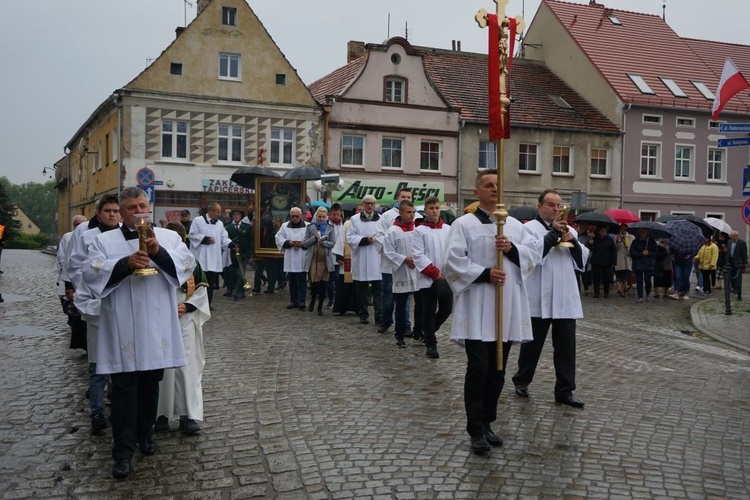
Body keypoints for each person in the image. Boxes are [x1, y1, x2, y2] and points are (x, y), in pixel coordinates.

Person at [82, 187, 195, 479]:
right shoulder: (103, 241)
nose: (137, 211)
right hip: (123, 329)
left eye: (142, 205)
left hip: (156, 326)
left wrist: (157, 253)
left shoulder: (168, 237)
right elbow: (91, 271)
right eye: (131, 207)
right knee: (123, 391)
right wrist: (124, 264)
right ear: (121, 211)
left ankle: (146, 435)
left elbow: (186, 265)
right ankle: (122, 453)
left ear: (150, 206)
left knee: (150, 384)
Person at [443, 169, 538, 455]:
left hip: (505, 307)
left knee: (498, 370)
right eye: (488, 185)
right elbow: (451, 262)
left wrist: (510, 249)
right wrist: (485, 274)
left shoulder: (515, 227)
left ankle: (487, 422)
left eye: (498, 184)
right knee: (479, 368)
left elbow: (531, 258)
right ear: (477, 191)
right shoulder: (463, 224)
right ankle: (475, 429)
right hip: (478, 305)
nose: (494, 189)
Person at [512, 189, 589, 408]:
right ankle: (522, 380)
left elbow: (583, 259)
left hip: (565, 297)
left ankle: (565, 390)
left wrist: (571, 241)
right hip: (538, 295)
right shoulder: (528, 229)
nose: (556, 209)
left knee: (566, 347)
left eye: (559, 205)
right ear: (540, 206)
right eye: (551, 205)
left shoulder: (570, 229)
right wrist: (551, 235)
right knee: (532, 344)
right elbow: (529, 256)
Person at [68, 196, 121, 436]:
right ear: (99, 213)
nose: (112, 215)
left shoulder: (124, 236)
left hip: (120, 305)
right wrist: (90, 288)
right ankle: (97, 410)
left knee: (121, 362)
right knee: (98, 364)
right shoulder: (86, 235)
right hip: (96, 301)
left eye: (116, 211)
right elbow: (76, 265)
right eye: (108, 211)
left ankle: (118, 402)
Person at [155, 221, 210, 436]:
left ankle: (189, 415)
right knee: (162, 368)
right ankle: (160, 414)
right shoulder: (153, 262)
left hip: (185, 318)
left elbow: (201, 291)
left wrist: (187, 306)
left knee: (187, 368)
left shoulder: (191, 263)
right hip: (160, 320)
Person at [413, 196, 452, 359]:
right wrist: (434, 272)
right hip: (427, 278)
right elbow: (418, 255)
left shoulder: (448, 229)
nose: (434, 211)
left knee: (446, 309)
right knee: (428, 311)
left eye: (437, 208)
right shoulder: (419, 230)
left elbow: (453, 251)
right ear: (426, 211)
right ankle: (431, 343)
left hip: (446, 277)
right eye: (431, 208)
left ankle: (428, 331)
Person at [375, 188, 414, 333]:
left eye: (408, 197)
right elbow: (379, 236)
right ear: (397, 197)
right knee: (389, 295)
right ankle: (386, 320)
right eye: (403, 196)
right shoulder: (386, 216)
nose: (405, 198)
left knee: (405, 295)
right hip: (390, 263)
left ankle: (406, 324)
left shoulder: (415, 217)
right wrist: (393, 251)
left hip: (408, 264)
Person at [382, 200, 419, 348]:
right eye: (408, 212)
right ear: (401, 213)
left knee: (420, 304)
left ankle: (418, 331)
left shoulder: (417, 228)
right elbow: (389, 252)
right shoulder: (392, 231)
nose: (412, 215)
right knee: (401, 305)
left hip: (417, 270)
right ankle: (400, 334)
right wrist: (404, 259)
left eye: (413, 212)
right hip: (402, 271)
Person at [347, 195, 382, 324]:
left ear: (375, 205)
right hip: (361, 257)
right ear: (363, 204)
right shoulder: (355, 219)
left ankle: (379, 315)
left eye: (372, 203)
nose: (370, 206)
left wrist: (376, 240)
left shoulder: (381, 219)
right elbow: (350, 237)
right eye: (367, 203)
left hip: (375, 258)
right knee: (361, 290)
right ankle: (363, 314)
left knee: (378, 290)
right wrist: (365, 240)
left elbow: (385, 235)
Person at [188, 202, 232, 304]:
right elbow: (192, 235)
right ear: (211, 211)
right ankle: (196, 303)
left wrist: (231, 244)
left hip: (213, 258)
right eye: (218, 212)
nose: (219, 214)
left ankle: (208, 303)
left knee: (210, 283)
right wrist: (204, 239)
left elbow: (223, 238)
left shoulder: (220, 224)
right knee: (199, 282)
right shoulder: (198, 221)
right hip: (201, 258)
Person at [302, 207, 336, 315]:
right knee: (315, 282)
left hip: (325, 259)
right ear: (316, 217)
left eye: (323, 217)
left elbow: (333, 243)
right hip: (313, 258)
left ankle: (320, 306)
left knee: (323, 283)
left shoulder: (330, 228)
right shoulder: (310, 227)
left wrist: (324, 243)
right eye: (319, 217)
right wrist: (314, 238)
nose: (321, 219)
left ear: (326, 217)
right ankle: (313, 300)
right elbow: (305, 243)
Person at [275, 207, 309, 310]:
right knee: (292, 280)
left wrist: (303, 243)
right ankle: (294, 300)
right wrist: (288, 242)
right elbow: (278, 238)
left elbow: (312, 239)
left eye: (296, 216)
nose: (295, 218)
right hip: (291, 257)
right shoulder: (285, 226)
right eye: (292, 216)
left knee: (302, 280)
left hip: (302, 256)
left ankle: (302, 301)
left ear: (301, 216)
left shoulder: (307, 226)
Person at [332, 204, 361, 315]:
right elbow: (341, 239)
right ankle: (342, 307)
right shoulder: (348, 224)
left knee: (358, 284)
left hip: (360, 258)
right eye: (358, 210)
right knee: (345, 282)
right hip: (348, 259)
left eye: (361, 210)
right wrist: (339, 256)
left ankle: (358, 307)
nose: (360, 212)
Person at [588, 225, 616, 298]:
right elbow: (589, 248)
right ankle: (596, 292)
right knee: (596, 278)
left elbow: (613, 250)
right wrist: (591, 241)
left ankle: (606, 292)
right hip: (596, 261)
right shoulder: (595, 239)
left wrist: (614, 261)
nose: (603, 232)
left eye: (605, 231)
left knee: (606, 278)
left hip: (607, 261)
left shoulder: (609, 239)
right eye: (602, 231)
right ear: (599, 231)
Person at [629, 228, 657, 303]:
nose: (642, 234)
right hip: (638, 263)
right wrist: (641, 253)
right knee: (639, 281)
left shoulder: (651, 241)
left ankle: (648, 293)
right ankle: (640, 296)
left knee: (648, 280)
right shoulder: (635, 242)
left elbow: (656, 252)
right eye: (641, 232)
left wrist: (649, 253)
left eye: (644, 232)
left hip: (649, 263)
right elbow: (632, 252)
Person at [325, 203, 344, 308]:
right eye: (334, 214)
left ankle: (338, 299)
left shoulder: (344, 224)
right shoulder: (327, 224)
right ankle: (331, 299)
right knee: (329, 279)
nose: (336, 216)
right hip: (329, 255)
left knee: (338, 279)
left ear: (340, 213)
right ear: (330, 214)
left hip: (340, 256)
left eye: (337, 214)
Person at [613, 224, 633, 297]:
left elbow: (632, 247)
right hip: (619, 259)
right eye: (622, 228)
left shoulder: (631, 237)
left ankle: (622, 290)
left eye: (625, 228)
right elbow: (614, 248)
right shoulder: (616, 237)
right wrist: (617, 241)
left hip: (628, 258)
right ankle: (622, 288)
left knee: (625, 275)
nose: (623, 230)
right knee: (620, 275)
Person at [727, 230, 747, 300]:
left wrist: (744, 263)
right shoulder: (729, 242)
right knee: (731, 275)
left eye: (733, 236)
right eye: (731, 236)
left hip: (738, 262)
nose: (732, 238)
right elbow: (728, 252)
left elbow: (744, 253)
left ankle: (737, 288)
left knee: (737, 276)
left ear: (737, 236)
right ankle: (733, 287)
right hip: (730, 261)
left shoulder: (742, 243)